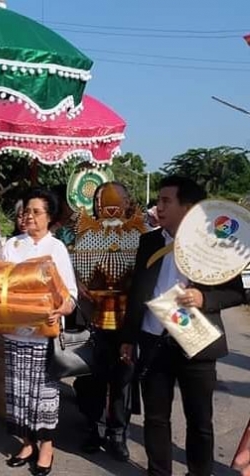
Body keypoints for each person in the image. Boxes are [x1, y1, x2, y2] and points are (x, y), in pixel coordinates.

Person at [120, 175, 246, 476]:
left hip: (196, 341)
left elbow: (235, 292)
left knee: (200, 420)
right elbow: (138, 290)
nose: (158, 207)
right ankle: (158, 471)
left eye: (166, 201)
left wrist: (204, 297)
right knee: (155, 418)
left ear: (188, 208)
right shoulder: (149, 241)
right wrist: (128, 337)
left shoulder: (213, 245)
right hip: (153, 340)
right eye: (158, 200)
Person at [0, 188, 77, 476]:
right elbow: (0, 282)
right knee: (19, 391)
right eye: (26, 211)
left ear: (49, 217)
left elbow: (70, 294)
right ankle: (28, 442)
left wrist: (63, 308)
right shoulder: (11, 246)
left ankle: (46, 446)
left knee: (43, 393)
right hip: (15, 331)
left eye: (36, 211)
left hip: (43, 333)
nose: (29, 216)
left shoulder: (56, 248)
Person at [72, 182, 145, 461]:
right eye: (104, 200)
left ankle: (117, 434)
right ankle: (94, 428)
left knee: (123, 381)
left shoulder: (143, 237)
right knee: (94, 377)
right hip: (95, 320)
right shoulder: (85, 235)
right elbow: (74, 270)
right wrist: (78, 282)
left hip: (129, 322)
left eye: (119, 198)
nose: (112, 205)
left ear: (129, 202)